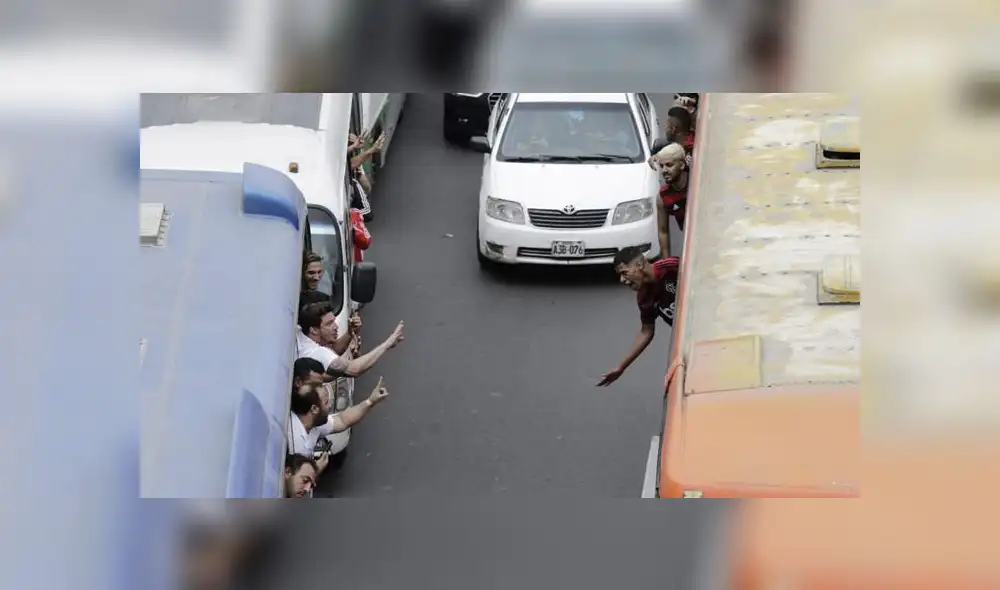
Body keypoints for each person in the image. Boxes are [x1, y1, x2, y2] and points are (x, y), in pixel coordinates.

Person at [597, 247, 681, 387]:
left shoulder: (672, 266)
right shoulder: (644, 298)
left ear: (639, 265)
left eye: (624, 273)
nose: (622, 280)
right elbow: (646, 331)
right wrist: (621, 367)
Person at [286, 378, 390, 469]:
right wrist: (317, 469)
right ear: (314, 409)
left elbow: (342, 420)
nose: (330, 405)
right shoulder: (295, 444)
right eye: (326, 402)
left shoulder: (314, 423)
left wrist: (370, 401)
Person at [297, 300, 404, 379]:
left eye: (334, 321)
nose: (336, 326)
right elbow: (354, 369)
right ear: (314, 330)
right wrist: (387, 344)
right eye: (329, 324)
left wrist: (350, 332)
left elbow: (332, 351)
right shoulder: (315, 353)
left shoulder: (299, 332)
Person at [647, 142, 689, 257]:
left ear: (682, 165)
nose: (664, 170)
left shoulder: (697, 179)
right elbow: (663, 231)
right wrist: (667, 261)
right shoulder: (663, 197)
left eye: (669, 165)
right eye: (661, 166)